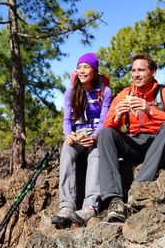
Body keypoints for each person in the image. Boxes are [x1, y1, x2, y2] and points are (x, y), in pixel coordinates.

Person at [98, 53, 165, 223]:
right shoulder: (125, 94)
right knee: (105, 133)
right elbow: (107, 129)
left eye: (141, 70)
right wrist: (117, 117)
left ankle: (137, 190)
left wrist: (151, 111)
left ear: (153, 72)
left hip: (160, 144)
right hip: (135, 143)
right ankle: (114, 201)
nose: (136, 74)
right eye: (133, 70)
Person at [51, 52, 112, 227]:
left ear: (94, 70)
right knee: (67, 151)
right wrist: (68, 134)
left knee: (96, 155)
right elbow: (67, 119)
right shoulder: (71, 90)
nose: (82, 71)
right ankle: (67, 206)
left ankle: (90, 206)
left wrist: (94, 137)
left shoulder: (105, 91)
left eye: (86, 67)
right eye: (79, 67)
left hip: (95, 135)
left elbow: (104, 119)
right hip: (77, 135)